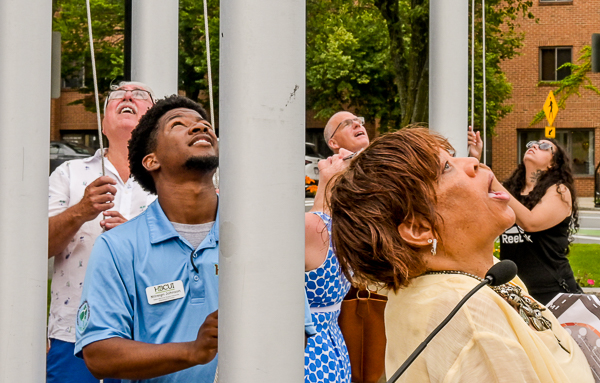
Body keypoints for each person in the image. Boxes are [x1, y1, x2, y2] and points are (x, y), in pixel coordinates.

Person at [328, 128, 593, 382]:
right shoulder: (471, 319)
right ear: (419, 228)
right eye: (446, 167)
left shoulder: (479, 274)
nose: (472, 162)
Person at [75, 95, 219, 382]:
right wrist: (193, 351)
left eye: (204, 124)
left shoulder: (261, 239)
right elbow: (99, 354)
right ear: (151, 160)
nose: (200, 127)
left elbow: (295, 334)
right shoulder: (118, 247)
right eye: (178, 125)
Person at [47, 81, 157, 383]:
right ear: (103, 122)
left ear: (154, 118)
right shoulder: (68, 174)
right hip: (75, 335)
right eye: (117, 96)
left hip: (154, 336)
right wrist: (81, 210)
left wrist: (135, 239)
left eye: (140, 96)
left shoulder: (171, 179)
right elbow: (40, 245)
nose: (129, 96)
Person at [495, 139, 583, 305]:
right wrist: (475, 158)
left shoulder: (559, 191)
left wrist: (492, 182)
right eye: (532, 143)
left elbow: (531, 222)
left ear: (553, 163)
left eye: (544, 147)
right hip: (515, 291)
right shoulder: (510, 190)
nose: (534, 146)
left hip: (552, 294)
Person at [304, 149, 353, 383]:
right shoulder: (346, 228)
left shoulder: (312, 226)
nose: (340, 152)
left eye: (349, 156)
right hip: (333, 349)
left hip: (305, 354)